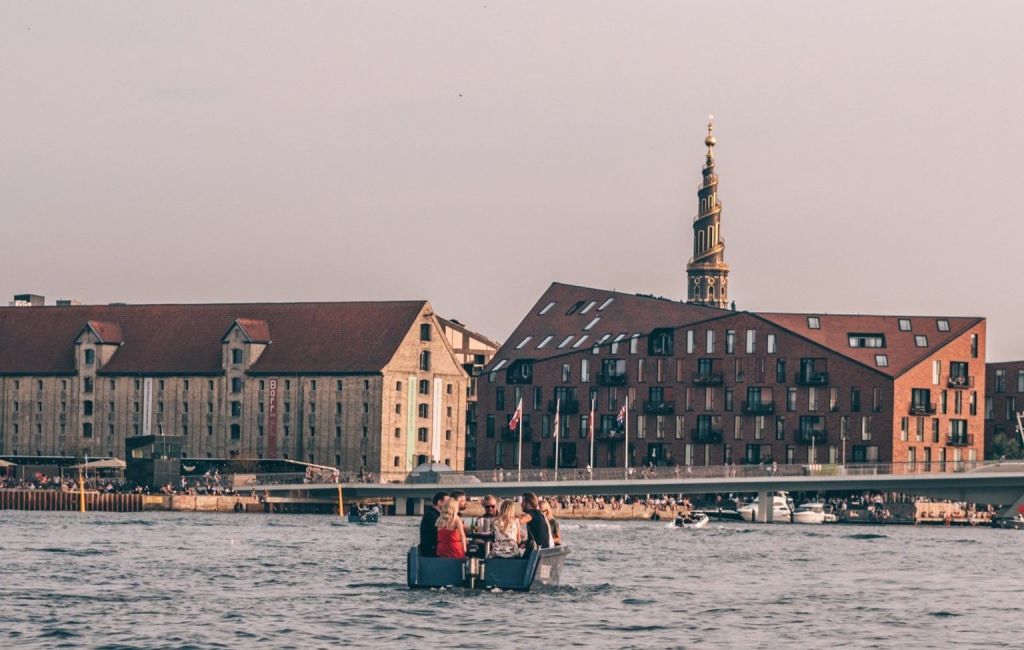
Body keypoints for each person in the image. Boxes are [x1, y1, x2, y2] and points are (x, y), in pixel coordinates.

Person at [418, 491, 448, 557]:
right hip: (431, 551)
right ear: (439, 502)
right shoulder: (432, 515)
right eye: (447, 502)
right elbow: (439, 532)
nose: (449, 505)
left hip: (431, 548)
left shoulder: (433, 513)